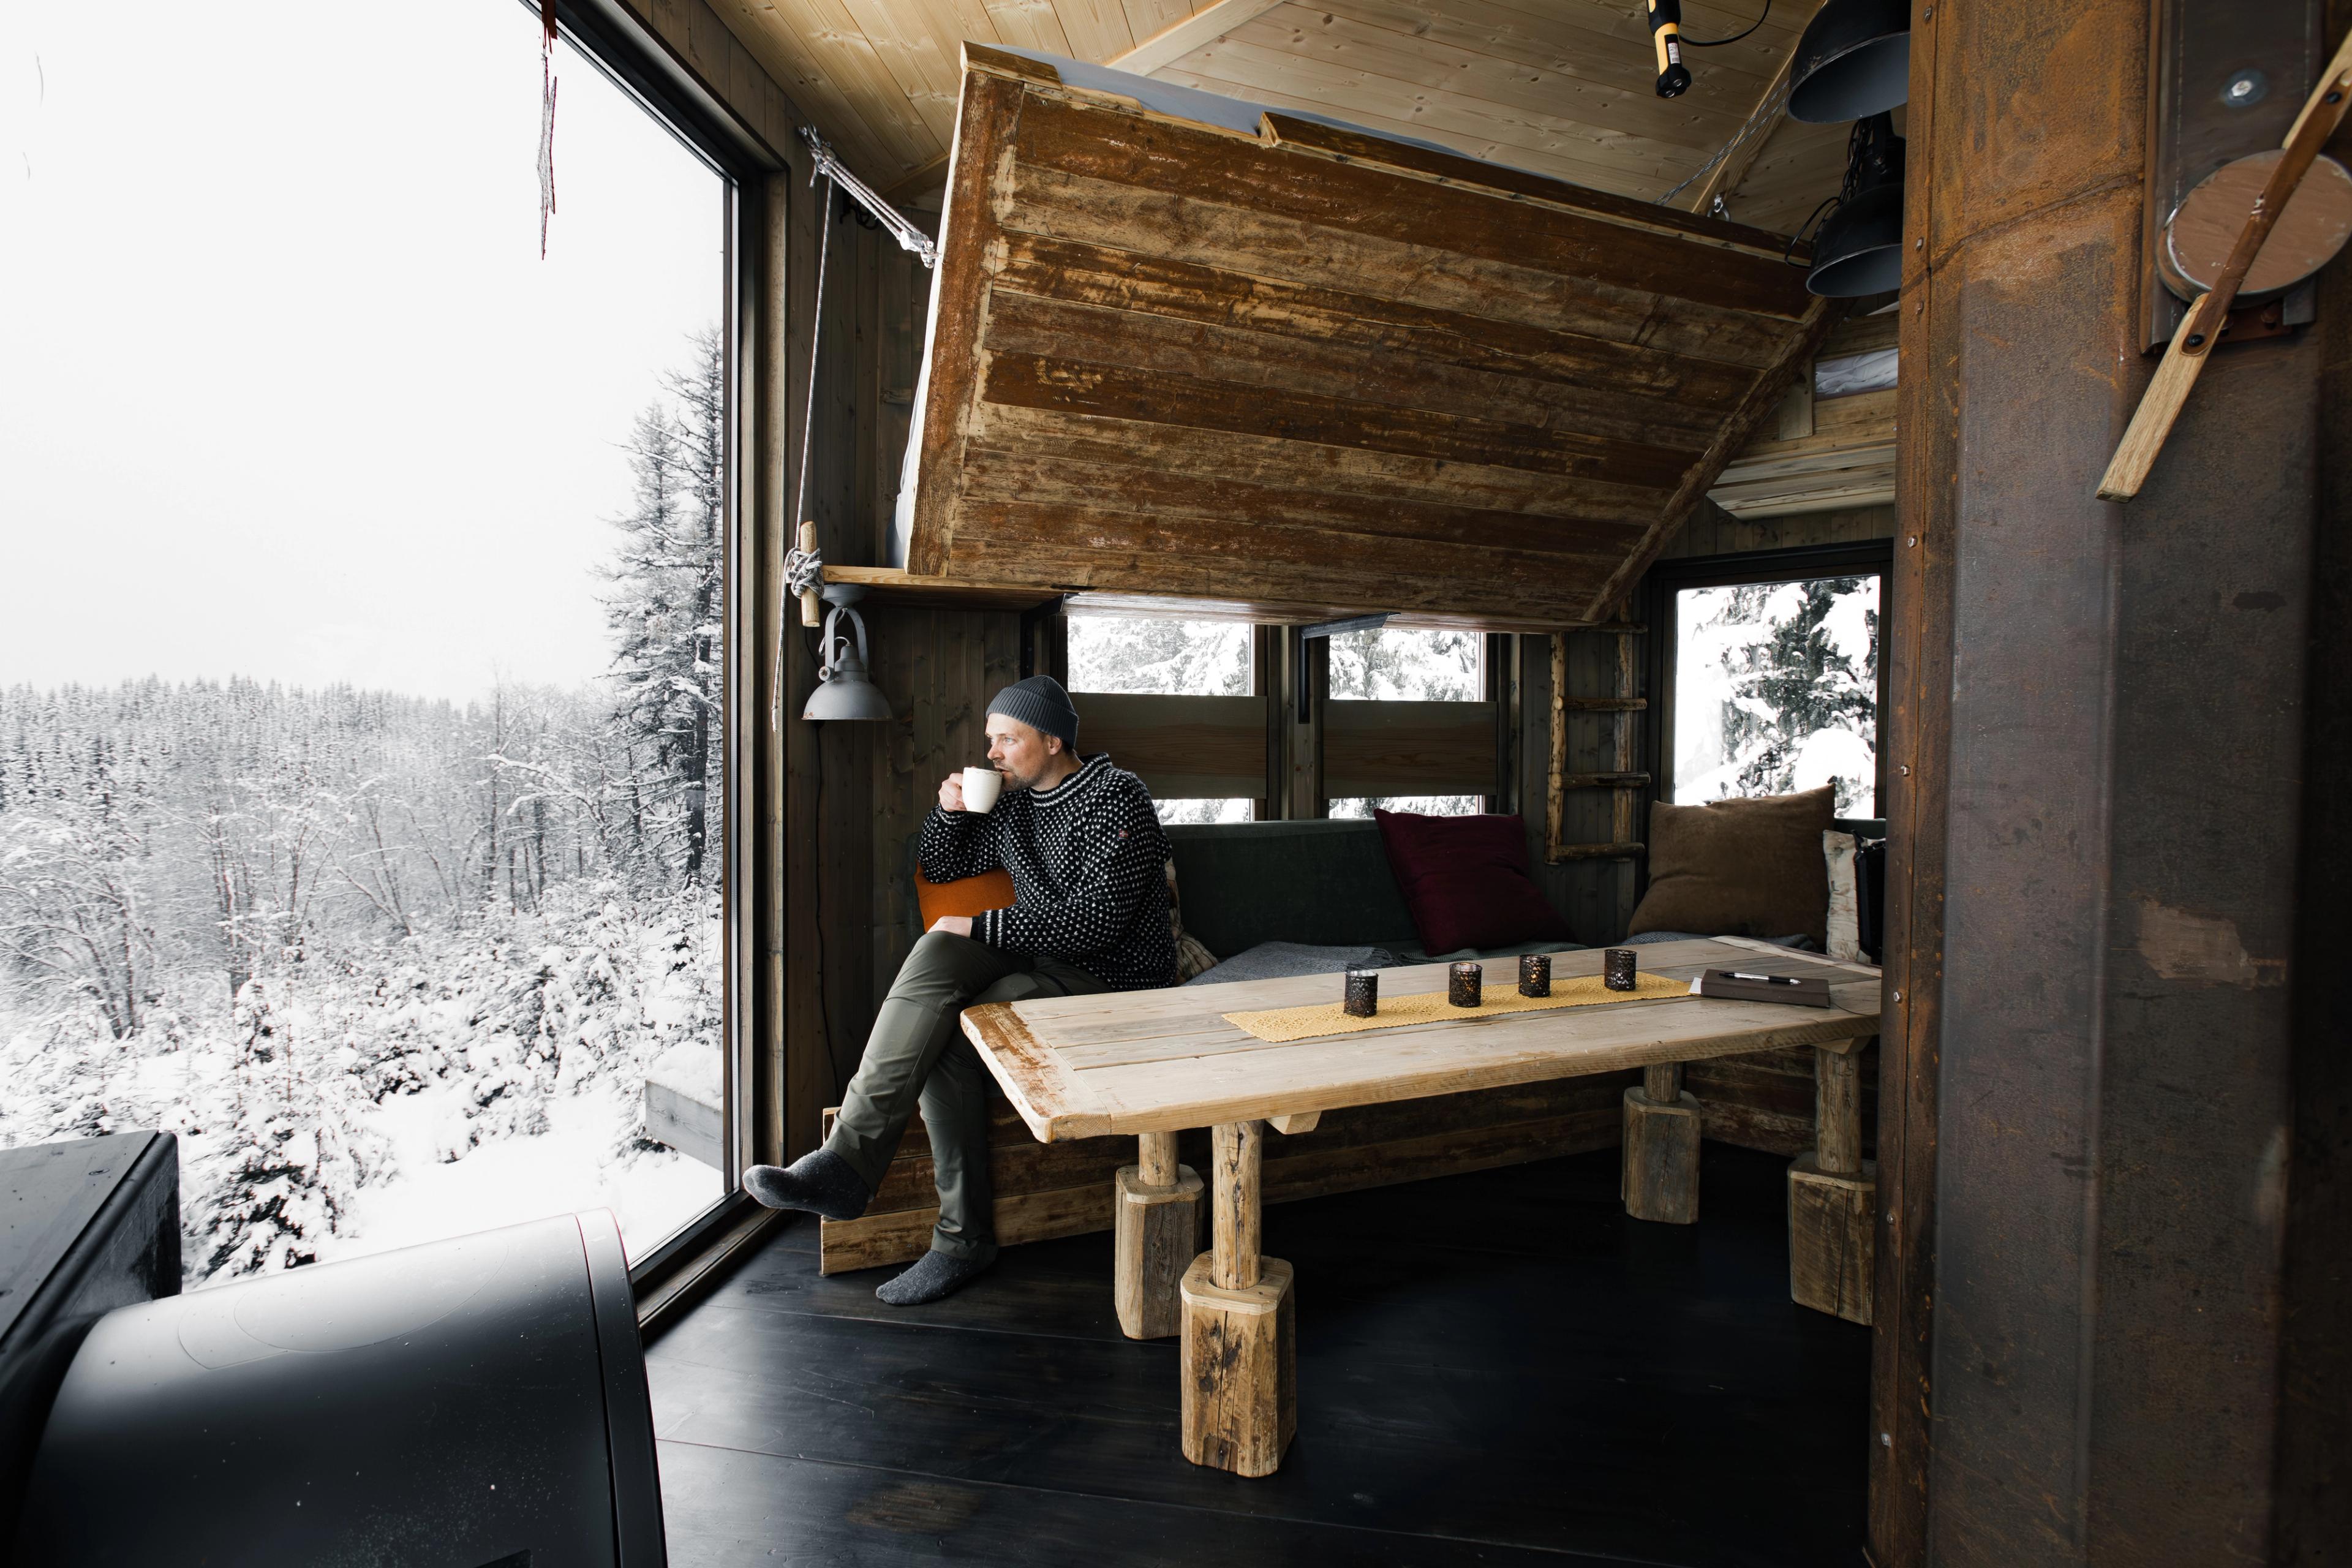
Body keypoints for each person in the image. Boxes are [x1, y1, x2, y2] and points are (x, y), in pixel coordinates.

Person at [743, 674, 1177, 1304]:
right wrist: (948, 812)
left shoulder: (1116, 796)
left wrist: (982, 922)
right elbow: (945, 864)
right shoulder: (1012, 801)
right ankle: (846, 1166)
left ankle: (958, 1240)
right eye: (991, 739)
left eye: (1009, 738)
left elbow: (1099, 919)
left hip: (1118, 980)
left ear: (1053, 740)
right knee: (942, 955)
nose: (993, 752)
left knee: (960, 1002)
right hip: (1044, 961)